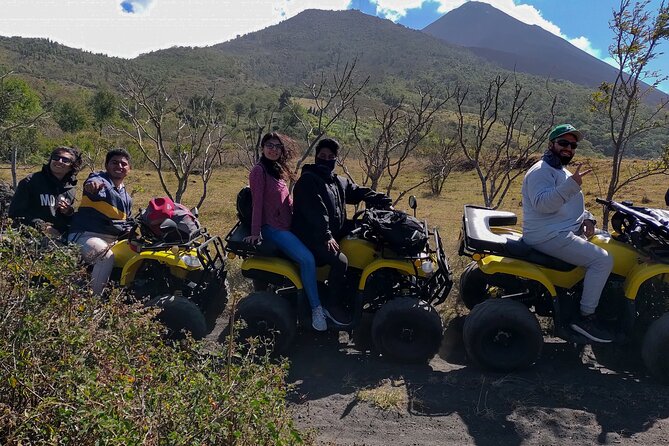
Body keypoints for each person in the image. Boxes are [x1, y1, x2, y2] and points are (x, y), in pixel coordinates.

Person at [521, 124, 614, 343]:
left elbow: (571, 204)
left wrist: (588, 217)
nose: (569, 149)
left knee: (610, 241)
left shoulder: (560, 171)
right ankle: (585, 317)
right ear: (551, 144)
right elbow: (543, 204)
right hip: (548, 234)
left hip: (562, 229)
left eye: (573, 145)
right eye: (563, 143)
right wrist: (572, 184)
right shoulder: (541, 171)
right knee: (602, 260)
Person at [292, 138, 392, 322]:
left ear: (335, 160)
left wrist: (382, 199)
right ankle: (332, 305)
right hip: (312, 236)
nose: (326, 159)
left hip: (332, 231)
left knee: (366, 239)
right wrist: (327, 235)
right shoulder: (308, 180)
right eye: (322, 156)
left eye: (330, 156)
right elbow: (316, 212)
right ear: (316, 157)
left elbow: (357, 191)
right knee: (340, 262)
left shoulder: (336, 180)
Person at [243, 132, 328, 331]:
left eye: (277, 146)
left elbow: (286, 201)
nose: (273, 149)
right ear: (262, 148)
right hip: (271, 228)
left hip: (287, 225)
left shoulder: (277, 169)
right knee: (307, 259)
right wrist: (256, 232)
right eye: (269, 145)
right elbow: (257, 203)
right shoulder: (259, 171)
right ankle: (316, 309)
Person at [68, 148, 133, 295]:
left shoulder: (127, 197)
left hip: (112, 240)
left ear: (129, 168)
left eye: (124, 164)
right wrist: (92, 186)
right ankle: (94, 304)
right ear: (106, 165)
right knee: (105, 257)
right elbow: (93, 183)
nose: (119, 166)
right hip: (85, 236)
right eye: (114, 163)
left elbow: (127, 222)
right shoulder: (100, 180)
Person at [8, 146, 82, 237]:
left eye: (65, 160)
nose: (59, 161)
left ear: (72, 166)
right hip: (33, 235)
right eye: (56, 157)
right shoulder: (31, 182)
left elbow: (68, 219)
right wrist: (43, 227)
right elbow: (15, 213)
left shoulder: (70, 187)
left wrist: (69, 212)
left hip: (62, 236)